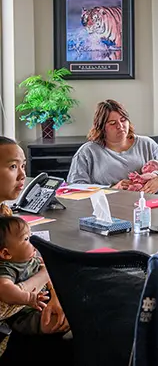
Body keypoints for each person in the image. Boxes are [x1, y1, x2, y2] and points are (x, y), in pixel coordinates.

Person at [0, 137, 71, 364]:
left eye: (23, 166)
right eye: (12, 167)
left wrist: (56, 296)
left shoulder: (5, 214)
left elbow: (35, 258)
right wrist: (43, 277)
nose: (22, 175)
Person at [68, 100, 158, 195]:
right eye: (112, 123)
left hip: (146, 206)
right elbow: (76, 188)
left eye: (123, 120)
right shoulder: (87, 152)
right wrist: (112, 189)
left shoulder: (147, 144)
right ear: (101, 128)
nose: (120, 126)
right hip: (107, 208)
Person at [0, 217, 49, 335]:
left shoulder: (29, 260)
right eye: (26, 239)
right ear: (6, 253)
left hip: (42, 304)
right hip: (24, 315)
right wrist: (29, 298)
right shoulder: (8, 268)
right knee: (58, 321)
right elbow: (4, 288)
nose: (33, 241)